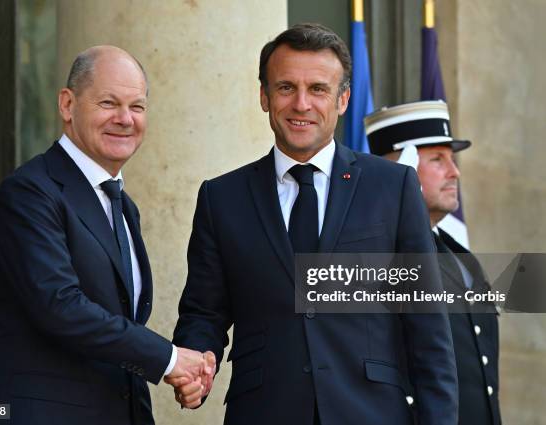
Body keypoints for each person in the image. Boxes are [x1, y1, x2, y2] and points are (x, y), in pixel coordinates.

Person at [171, 24, 458, 425]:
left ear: (343, 100)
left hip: (373, 413)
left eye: (318, 89)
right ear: (264, 97)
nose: (301, 104)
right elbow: (203, 312)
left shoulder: (392, 187)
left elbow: (427, 326)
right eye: (286, 87)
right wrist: (196, 361)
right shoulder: (222, 198)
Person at [0, 45, 213, 425]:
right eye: (108, 103)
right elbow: (61, 306)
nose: (125, 119)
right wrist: (169, 360)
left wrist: (183, 368)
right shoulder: (29, 192)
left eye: (137, 107)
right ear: (67, 105)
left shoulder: (122, 205)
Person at [365, 100, 501, 424]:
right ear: (402, 168)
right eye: (437, 159)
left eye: (452, 159)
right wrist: (395, 188)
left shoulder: (461, 258)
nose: (455, 172)